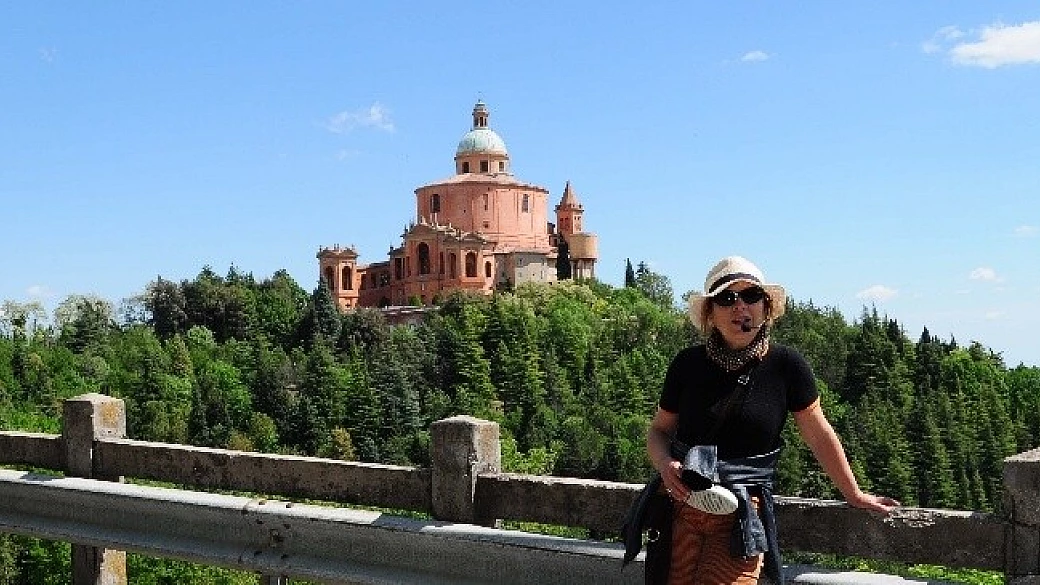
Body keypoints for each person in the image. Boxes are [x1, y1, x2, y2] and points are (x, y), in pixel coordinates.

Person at [644, 256, 899, 585]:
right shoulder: (687, 364)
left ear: (765, 308)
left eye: (751, 296)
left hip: (740, 514)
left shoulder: (786, 366)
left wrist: (853, 493)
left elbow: (818, 434)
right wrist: (665, 463)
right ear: (710, 313)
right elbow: (659, 431)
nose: (740, 307)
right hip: (679, 508)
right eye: (726, 298)